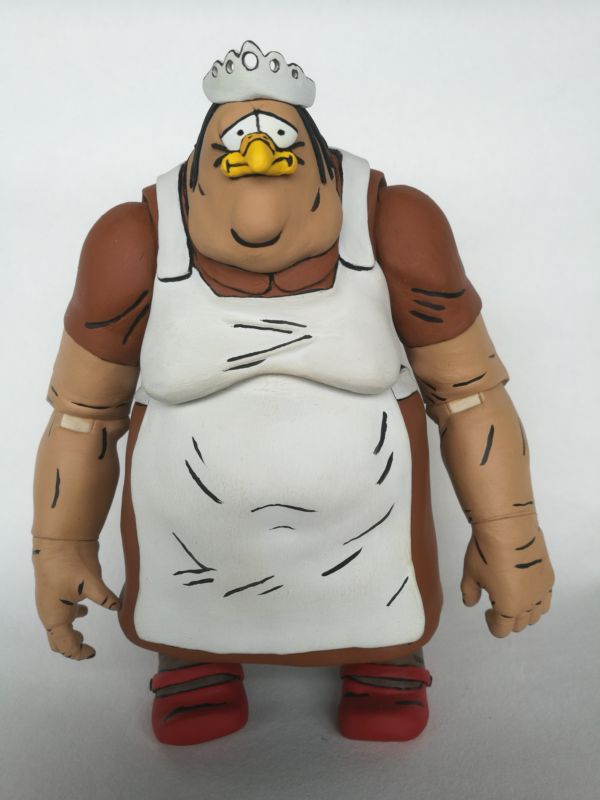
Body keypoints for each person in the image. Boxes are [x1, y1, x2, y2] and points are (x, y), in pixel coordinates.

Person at [31, 41, 554, 745]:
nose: (260, 216)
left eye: (281, 156)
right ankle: (195, 660)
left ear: (321, 168)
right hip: (185, 554)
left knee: (386, 625)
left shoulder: (395, 222)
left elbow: (469, 396)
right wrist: (60, 544)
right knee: (186, 627)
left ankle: (382, 658)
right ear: (198, 174)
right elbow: (82, 418)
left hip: (373, 550)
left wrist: (511, 531)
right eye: (234, 159)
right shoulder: (134, 239)